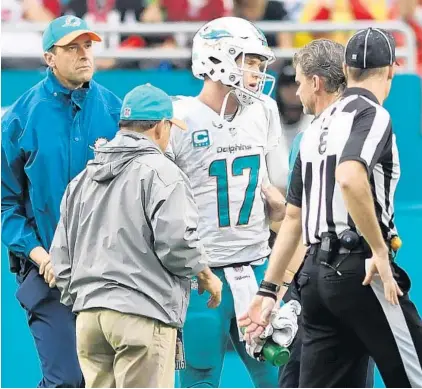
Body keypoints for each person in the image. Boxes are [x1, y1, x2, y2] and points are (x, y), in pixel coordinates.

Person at [240, 28, 422, 388]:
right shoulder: (371, 113)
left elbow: (293, 217)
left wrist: (268, 289)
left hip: (315, 279)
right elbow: (351, 176)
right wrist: (379, 250)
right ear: (391, 71)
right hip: (359, 270)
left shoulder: (315, 128)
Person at [49, 84, 223, 388]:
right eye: (170, 127)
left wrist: (84, 299)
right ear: (159, 126)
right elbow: (177, 244)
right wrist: (203, 273)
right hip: (141, 313)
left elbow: (60, 260)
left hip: (89, 319)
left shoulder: (82, 178)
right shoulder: (162, 171)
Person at [166, 16, 289, 388]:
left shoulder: (264, 110)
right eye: (248, 61)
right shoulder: (180, 117)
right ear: (217, 59)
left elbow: (277, 190)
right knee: (199, 379)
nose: (256, 71)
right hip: (200, 277)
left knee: (277, 378)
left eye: (258, 62)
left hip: (255, 270)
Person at [1, 15, 122, 388]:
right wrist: (39, 255)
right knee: (68, 380)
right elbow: (6, 204)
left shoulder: (115, 111)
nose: (84, 54)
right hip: (47, 272)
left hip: (109, 273)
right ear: (49, 57)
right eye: (72, 47)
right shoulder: (20, 117)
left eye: (87, 46)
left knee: (108, 380)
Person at [275, 39, 375, 389]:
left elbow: (296, 220)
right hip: (352, 271)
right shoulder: (367, 125)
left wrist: (276, 287)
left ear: (316, 82)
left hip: (319, 274)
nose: (296, 90)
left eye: (301, 81)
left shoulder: (311, 137)